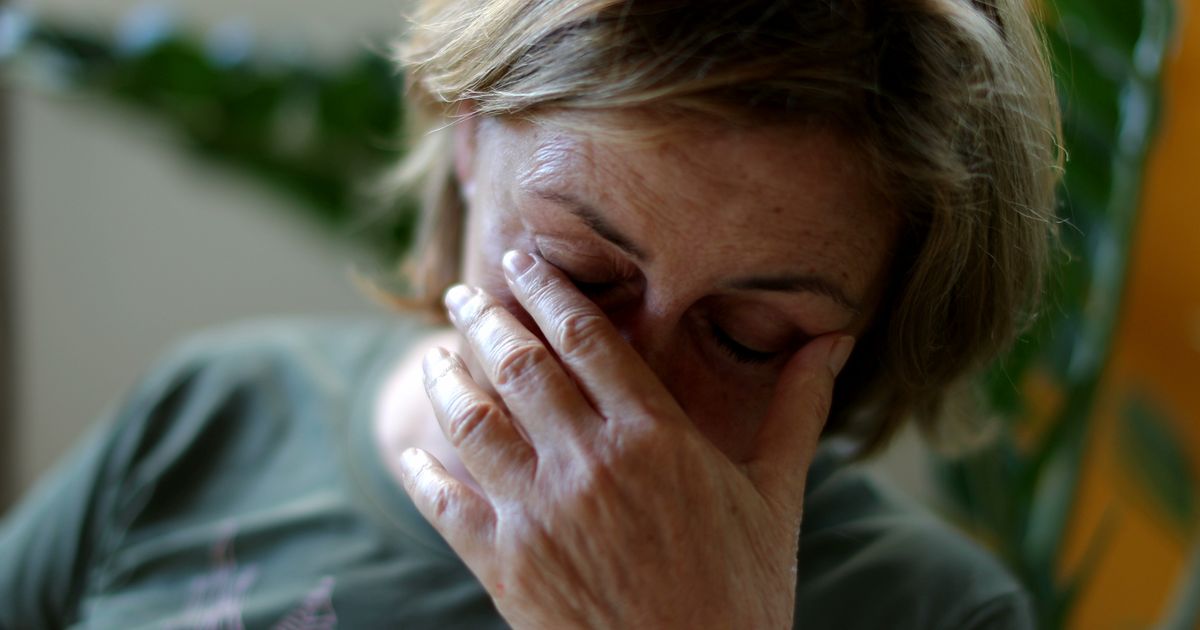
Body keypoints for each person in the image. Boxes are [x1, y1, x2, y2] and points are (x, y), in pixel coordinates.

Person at [0, 0, 1061, 627]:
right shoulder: (216, 413)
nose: (624, 396)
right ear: (466, 134)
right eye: (576, 274)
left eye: (746, 338)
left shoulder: (930, 611)